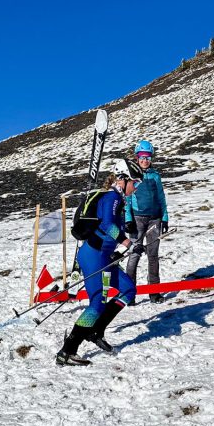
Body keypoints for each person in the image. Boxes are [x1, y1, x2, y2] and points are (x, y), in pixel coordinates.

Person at [56, 166, 137, 366]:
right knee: (96, 304)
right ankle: (67, 351)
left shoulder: (119, 200)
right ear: (122, 180)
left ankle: (96, 330)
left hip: (104, 256)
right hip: (93, 256)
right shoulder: (113, 197)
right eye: (135, 183)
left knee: (128, 290)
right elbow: (107, 226)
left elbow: (112, 225)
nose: (136, 187)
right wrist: (127, 243)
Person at [125, 139, 169, 302]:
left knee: (153, 255)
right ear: (137, 157)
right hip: (137, 219)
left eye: (148, 157)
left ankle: (154, 292)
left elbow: (161, 197)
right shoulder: (131, 175)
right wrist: (128, 219)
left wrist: (164, 217)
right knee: (134, 254)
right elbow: (127, 198)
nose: (145, 160)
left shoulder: (155, 176)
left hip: (155, 219)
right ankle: (128, 294)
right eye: (142, 157)